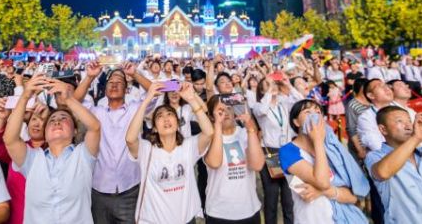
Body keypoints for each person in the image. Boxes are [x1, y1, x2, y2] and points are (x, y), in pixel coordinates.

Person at [3, 75, 101, 224]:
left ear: (75, 131)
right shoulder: (32, 159)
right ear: (45, 133)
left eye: (63, 118)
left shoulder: (82, 156)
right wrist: (25, 96)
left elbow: (95, 127)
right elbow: (10, 139)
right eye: (52, 121)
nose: (57, 122)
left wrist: (68, 99)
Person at [125, 82, 214, 224]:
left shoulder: (188, 146)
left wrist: (191, 99)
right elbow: (130, 139)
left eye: (170, 114)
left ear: (178, 123)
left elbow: (209, 132)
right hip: (154, 220)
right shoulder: (147, 150)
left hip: (186, 219)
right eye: (159, 116)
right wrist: (147, 100)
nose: (166, 119)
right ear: (154, 128)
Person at [74, 61, 151, 224]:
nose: (114, 85)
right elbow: (74, 100)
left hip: (130, 188)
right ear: (105, 88)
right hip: (99, 188)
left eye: (119, 83)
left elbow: (154, 92)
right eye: (111, 83)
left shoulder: (134, 109)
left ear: (127, 89)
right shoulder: (96, 112)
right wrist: (89, 77)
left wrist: (135, 74)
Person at [279, 99, 369, 224]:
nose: (315, 115)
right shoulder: (287, 151)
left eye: (318, 112)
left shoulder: (332, 149)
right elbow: (322, 182)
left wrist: (323, 192)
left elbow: (353, 197)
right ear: (296, 122)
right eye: (307, 112)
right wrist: (318, 141)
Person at [0, 97, 48, 224]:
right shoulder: (17, 149)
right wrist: (2, 118)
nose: (37, 124)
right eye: (33, 119)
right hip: (16, 217)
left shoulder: (59, 152)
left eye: (44, 120)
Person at [203, 95, 264, 224]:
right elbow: (214, 163)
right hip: (219, 212)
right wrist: (218, 126)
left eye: (229, 108)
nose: (225, 113)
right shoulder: (208, 137)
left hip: (249, 209)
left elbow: (257, 165)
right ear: (212, 115)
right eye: (220, 110)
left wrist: (251, 129)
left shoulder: (244, 133)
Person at [253, 76, 295, 224]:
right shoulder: (258, 106)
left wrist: (288, 85)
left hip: (288, 151)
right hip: (270, 152)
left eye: (273, 84)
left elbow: (299, 101)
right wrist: (269, 92)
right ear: (262, 90)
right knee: (271, 196)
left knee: (289, 197)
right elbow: (262, 109)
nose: (273, 86)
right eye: (268, 85)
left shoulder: (283, 103)